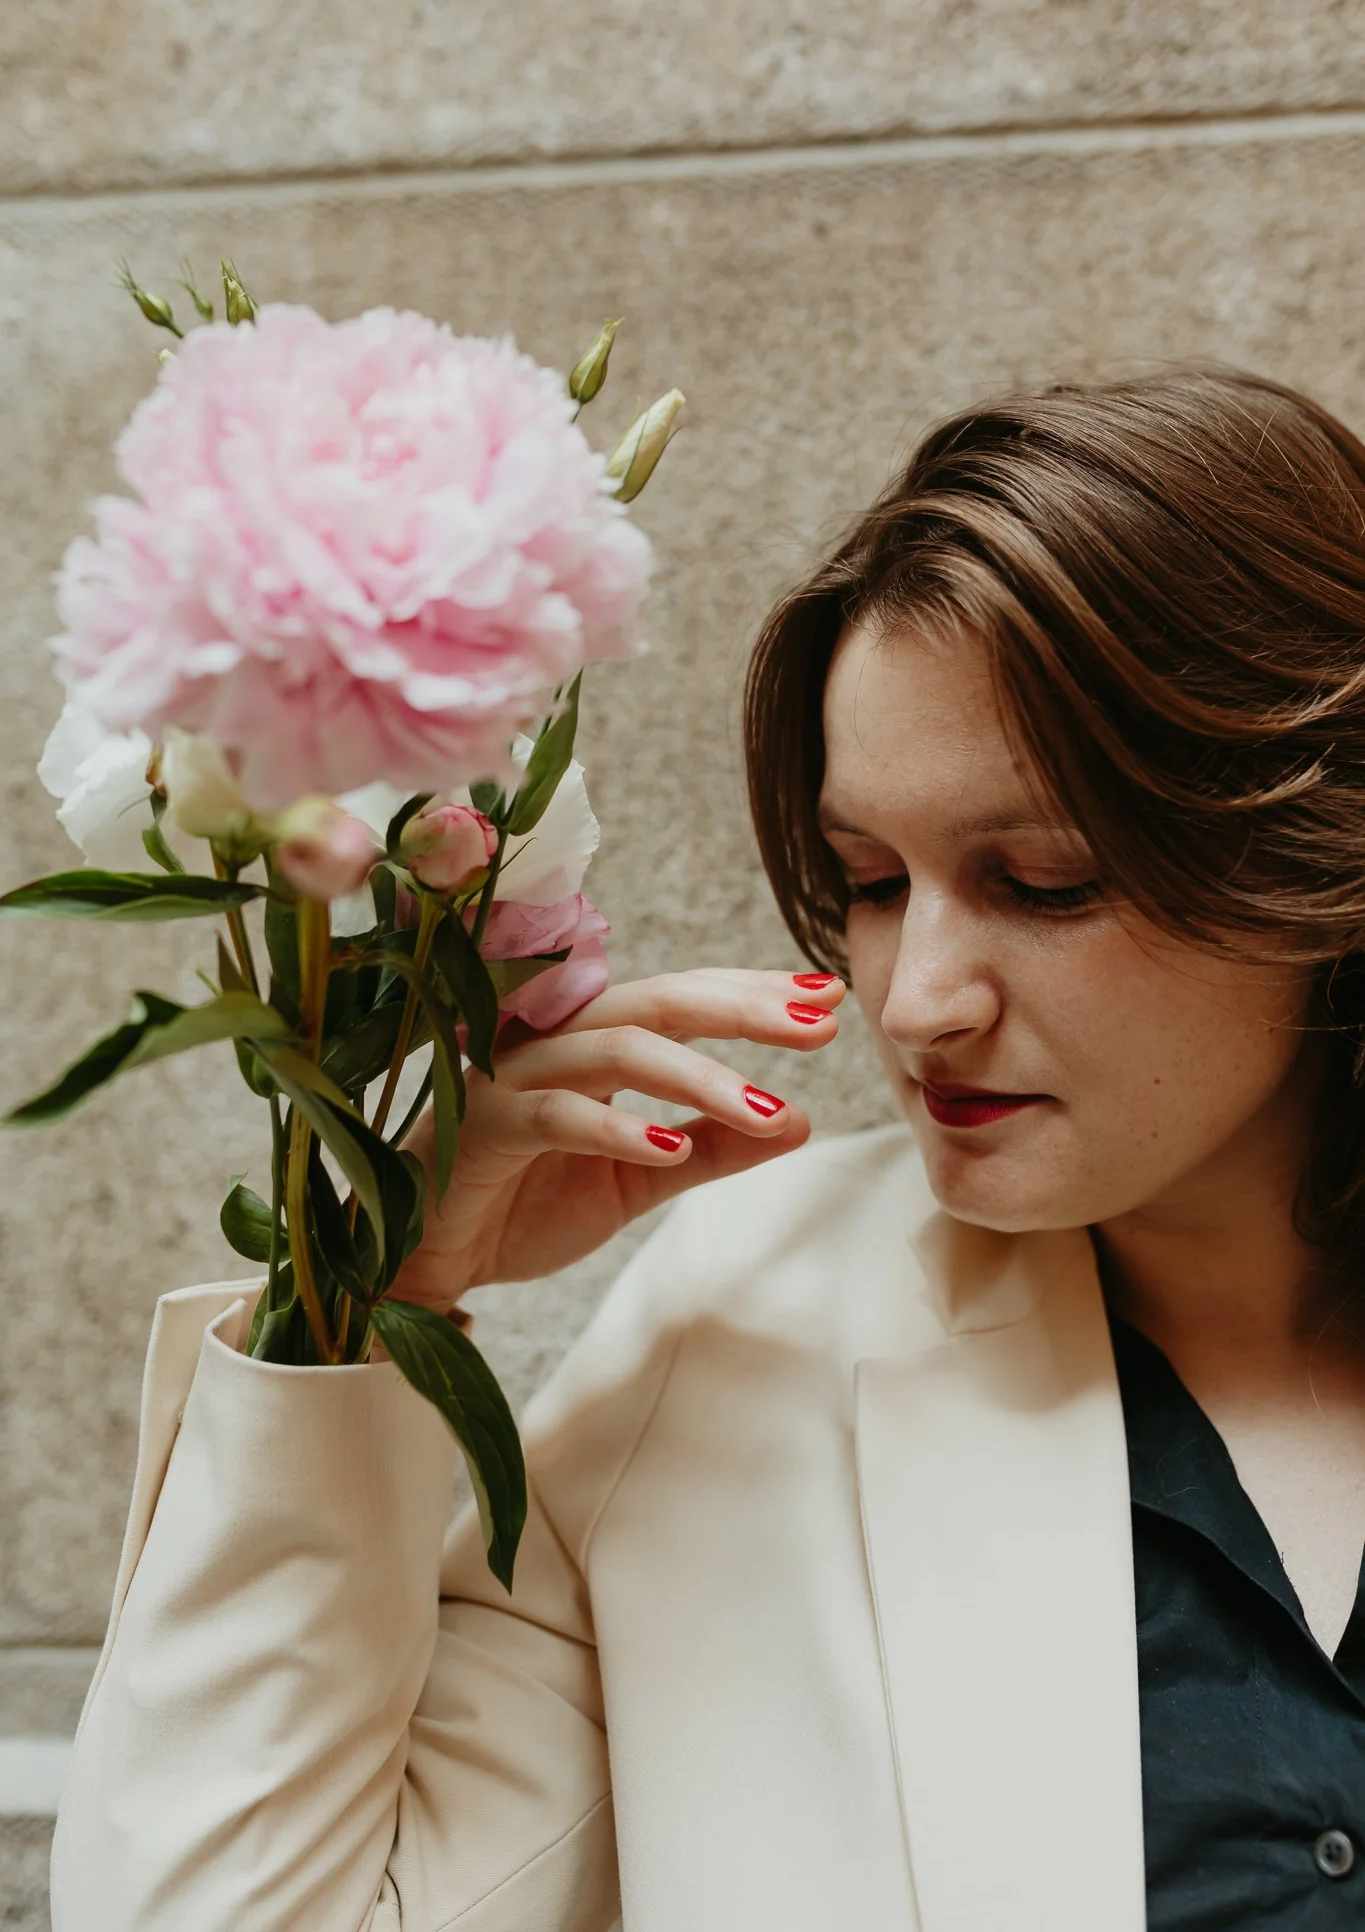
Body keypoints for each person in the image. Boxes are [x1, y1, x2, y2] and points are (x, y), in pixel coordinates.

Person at [50, 364, 1365, 1932]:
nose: (918, 999)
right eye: (870, 881)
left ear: (1319, 854)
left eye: (1044, 880)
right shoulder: (756, 1324)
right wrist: (377, 1288)